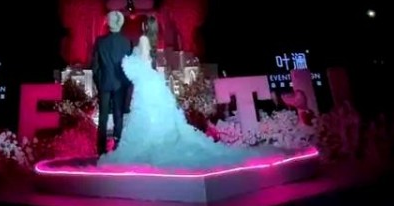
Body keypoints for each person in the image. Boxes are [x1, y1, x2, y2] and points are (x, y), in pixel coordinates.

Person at [99, 29, 278, 169]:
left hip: (148, 85)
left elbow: (135, 66)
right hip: (148, 85)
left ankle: (157, 139)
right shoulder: (140, 53)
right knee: (150, 115)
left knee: (154, 117)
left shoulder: (139, 49)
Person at [91, 10, 133, 155]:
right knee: (118, 115)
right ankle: (118, 145)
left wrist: (98, 82)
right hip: (120, 84)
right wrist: (126, 83)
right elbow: (129, 67)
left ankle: (101, 149)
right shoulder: (126, 42)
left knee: (103, 116)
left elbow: (95, 66)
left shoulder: (100, 42)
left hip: (104, 83)